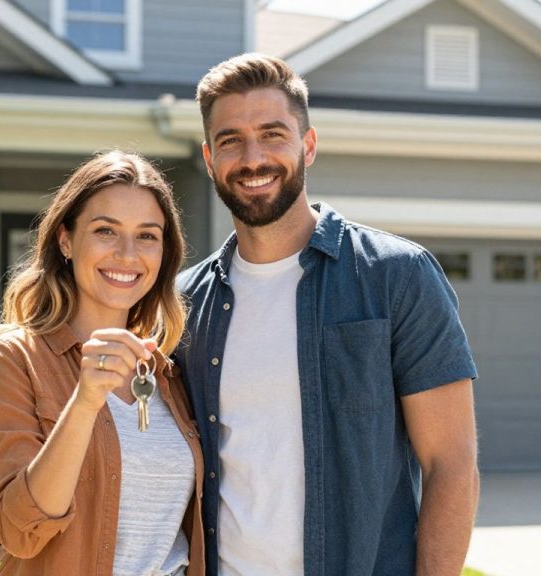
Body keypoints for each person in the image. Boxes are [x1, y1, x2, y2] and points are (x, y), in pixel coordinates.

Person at [174, 53, 480, 576]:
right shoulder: (184, 302)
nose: (253, 158)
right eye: (231, 140)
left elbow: (451, 466)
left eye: (273, 134)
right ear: (208, 158)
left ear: (307, 145)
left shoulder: (397, 277)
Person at [0, 150, 205, 575]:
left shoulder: (168, 370)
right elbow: (19, 532)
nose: (127, 254)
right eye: (105, 231)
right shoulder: (14, 358)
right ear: (65, 240)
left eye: (147, 235)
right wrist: (84, 401)